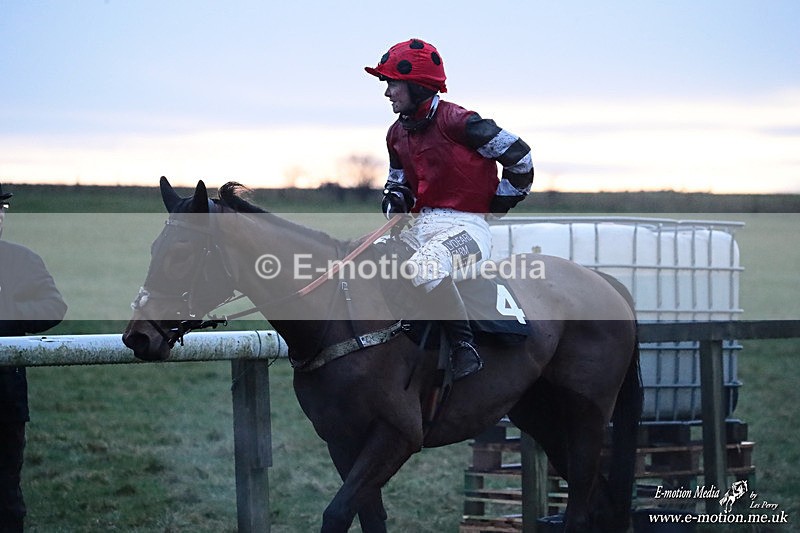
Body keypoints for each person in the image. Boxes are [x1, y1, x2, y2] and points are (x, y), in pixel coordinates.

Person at [365, 38, 534, 380]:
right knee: (371, 259)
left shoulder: (462, 122)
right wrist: (395, 202)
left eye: (393, 84)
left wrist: (498, 204)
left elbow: (520, 157)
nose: (388, 93)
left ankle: (463, 347)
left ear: (417, 86)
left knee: (426, 267)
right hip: (420, 227)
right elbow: (396, 184)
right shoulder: (395, 134)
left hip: (468, 228)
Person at [0, 183, 67, 532]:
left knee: (5, 498)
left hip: (4, 402)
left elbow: (54, 306)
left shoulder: (20, 259)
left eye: (0, 210)